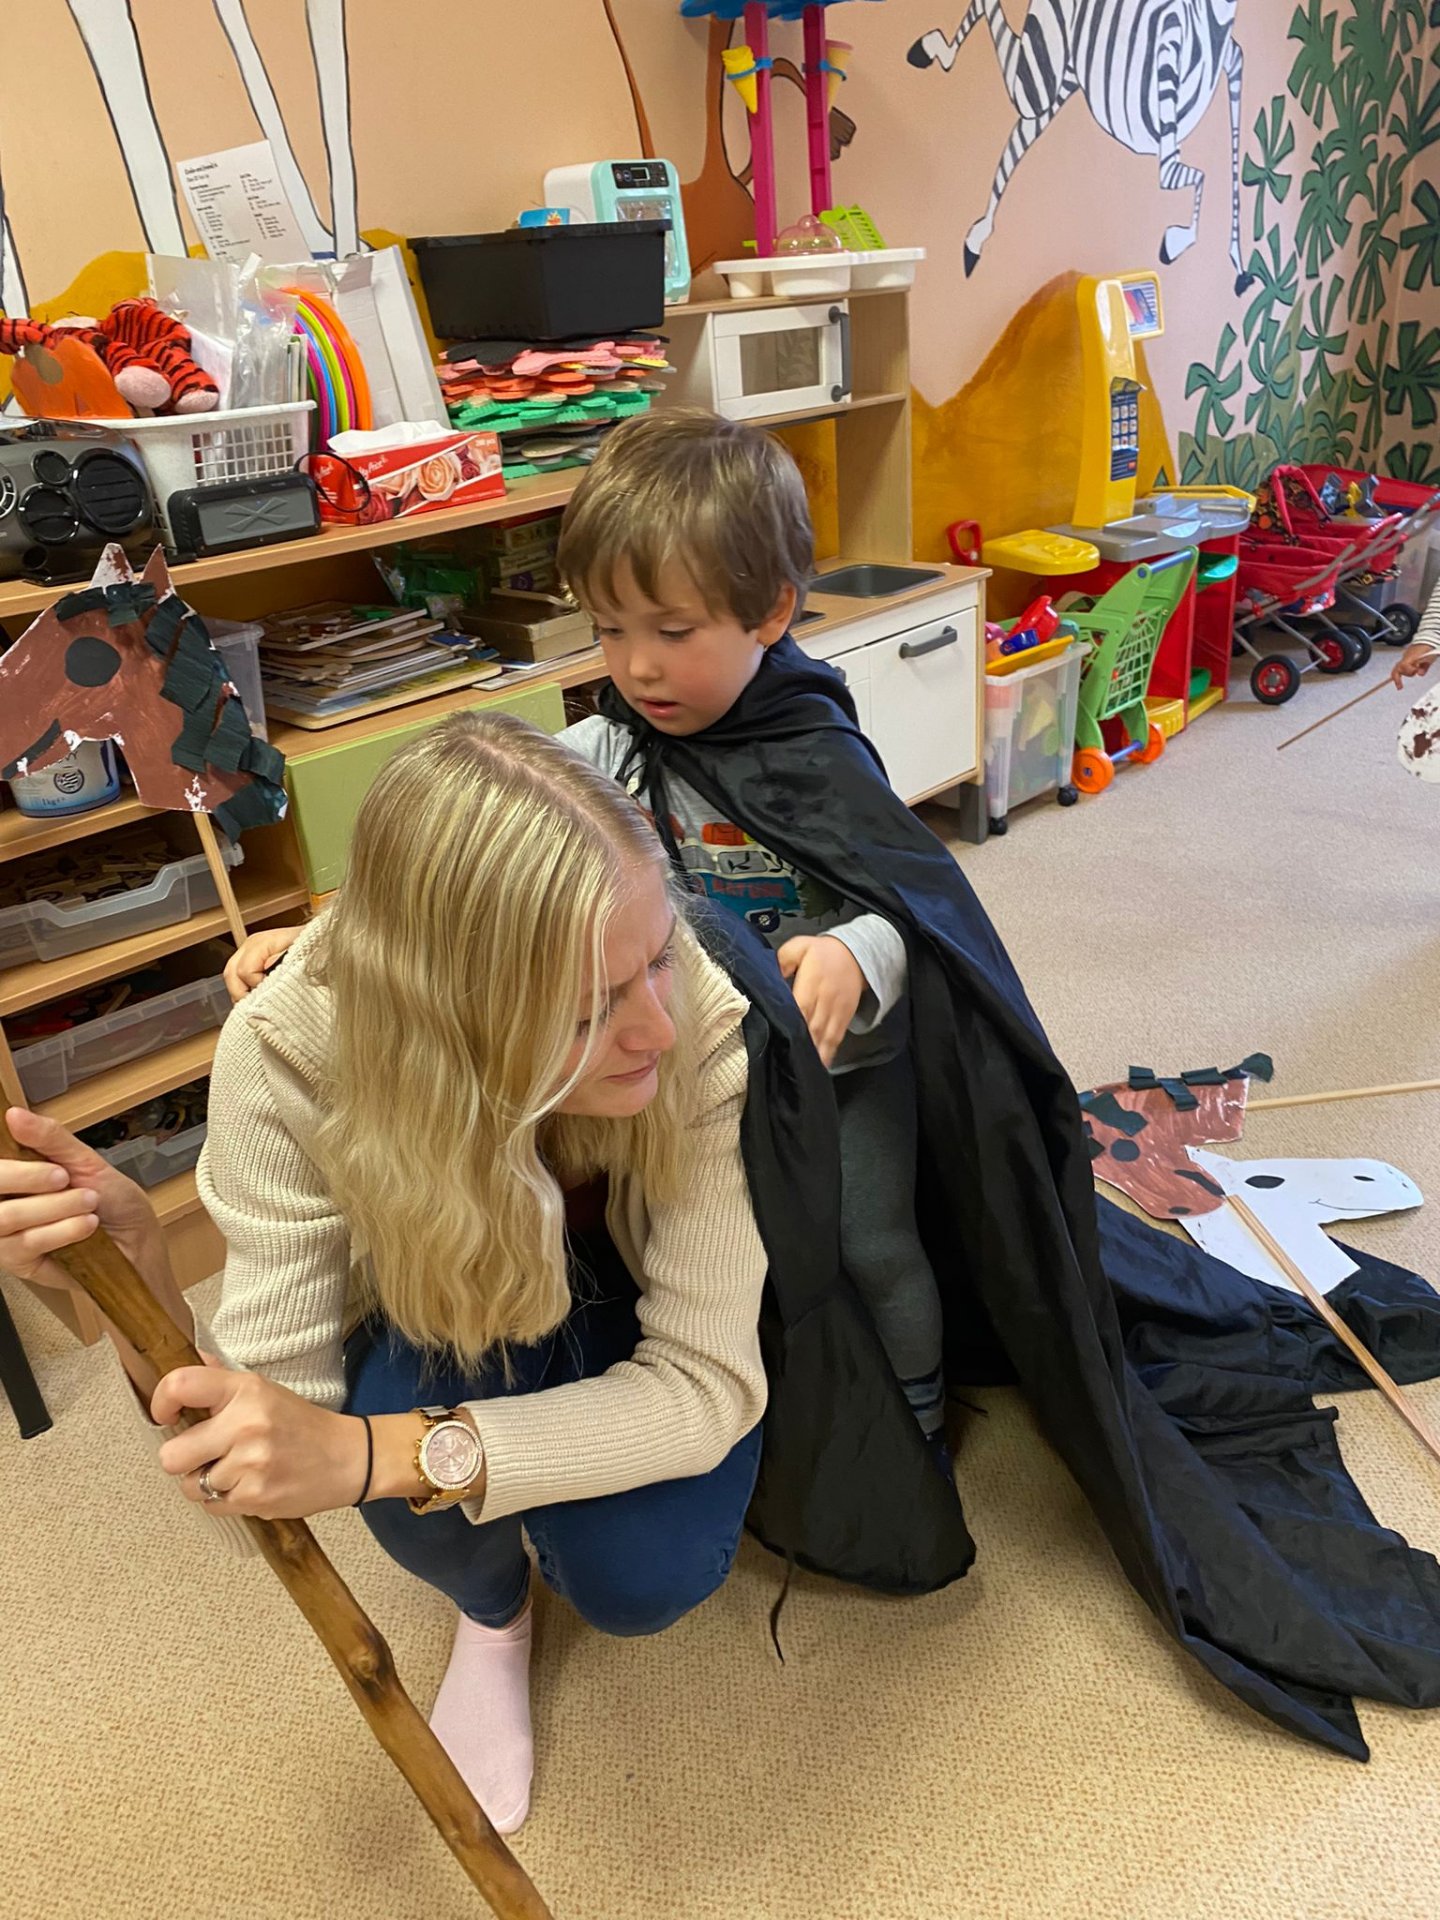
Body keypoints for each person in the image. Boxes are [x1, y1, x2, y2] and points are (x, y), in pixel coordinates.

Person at [0, 711, 773, 1837]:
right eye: (585, 1012)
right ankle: (494, 1610)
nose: (655, 1027)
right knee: (384, 1447)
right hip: (450, 1294)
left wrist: (388, 1454)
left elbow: (706, 1386)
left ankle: (521, 1541)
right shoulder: (287, 1052)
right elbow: (260, 1485)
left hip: (625, 1280)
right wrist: (143, 1290)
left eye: (658, 958)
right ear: (442, 1022)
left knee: (639, 1577)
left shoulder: (688, 1011)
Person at [231, 412, 951, 1465]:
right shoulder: (603, 747)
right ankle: (779, 1416)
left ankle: (918, 1425)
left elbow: (920, 904)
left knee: (870, 1242)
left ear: (771, 611)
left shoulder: (826, 753)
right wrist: (325, 934)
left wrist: (858, 952)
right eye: (610, 631)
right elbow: (466, 865)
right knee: (725, 1256)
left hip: (842, 1070)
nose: (638, 666)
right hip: (683, 1066)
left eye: (673, 631)